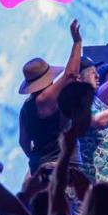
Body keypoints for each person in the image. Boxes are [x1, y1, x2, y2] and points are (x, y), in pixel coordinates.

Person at [18, 20, 83, 175]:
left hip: (42, 165)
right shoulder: (44, 99)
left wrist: (38, 157)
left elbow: (23, 141)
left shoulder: (27, 107)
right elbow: (70, 75)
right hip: (60, 166)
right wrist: (77, 42)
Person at [78, 57, 108, 183]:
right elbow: (100, 122)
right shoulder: (81, 101)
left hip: (107, 176)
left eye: (97, 72)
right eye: (92, 72)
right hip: (91, 176)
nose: (97, 76)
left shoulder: (100, 103)